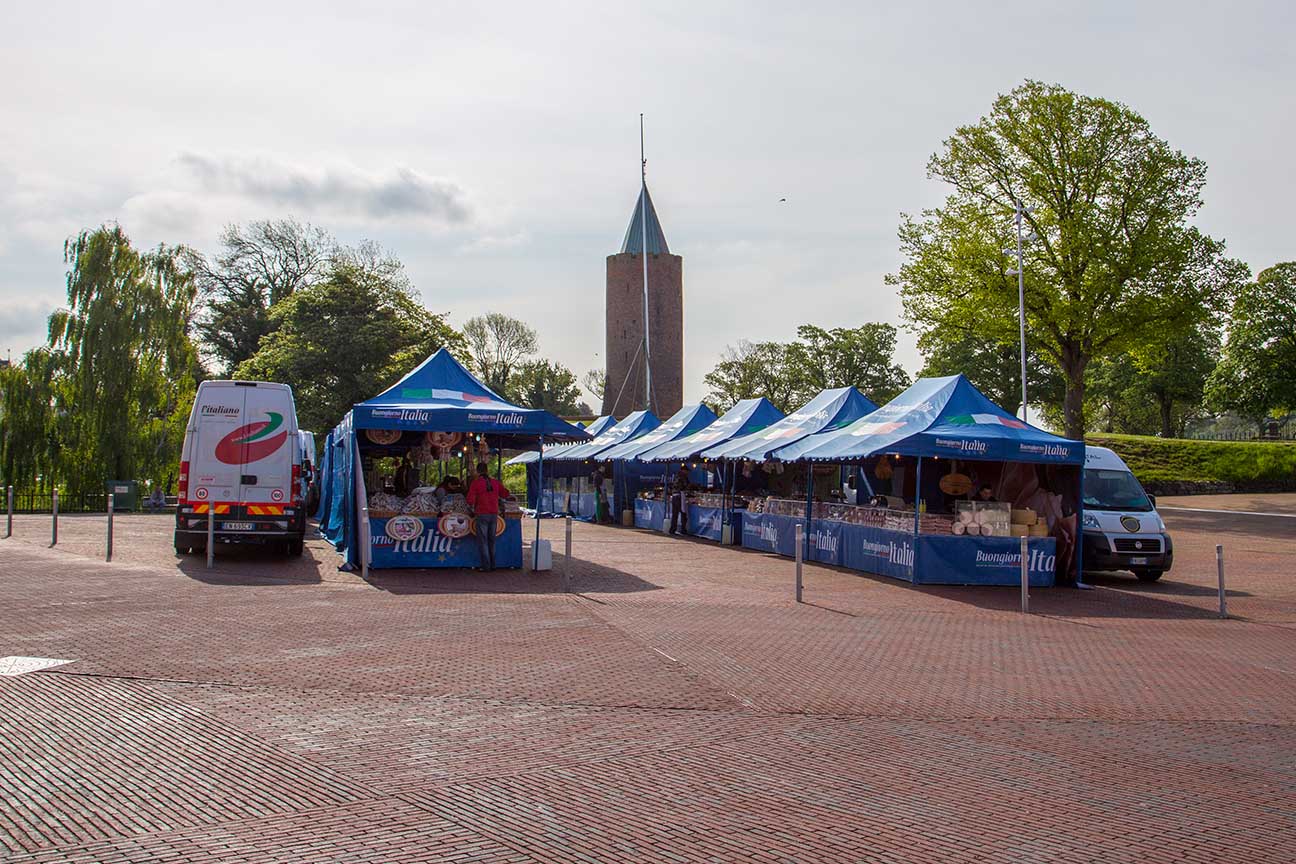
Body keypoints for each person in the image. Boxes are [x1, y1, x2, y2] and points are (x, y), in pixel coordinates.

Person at [467, 462, 511, 571]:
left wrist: (472, 505)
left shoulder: (476, 483)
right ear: (487, 470)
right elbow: (505, 494)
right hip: (494, 514)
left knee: (483, 541)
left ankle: (486, 566)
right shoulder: (495, 482)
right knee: (492, 540)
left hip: (482, 514)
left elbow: (470, 500)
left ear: (477, 472)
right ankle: (493, 564)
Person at [670, 465, 690, 535]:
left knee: (674, 514)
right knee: (683, 513)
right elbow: (685, 485)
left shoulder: (676, 476)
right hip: (680, 496)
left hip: (674, 496)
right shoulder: (683, 476)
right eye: (687, 471)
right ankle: (683, 530)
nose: (687, 473)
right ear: (684, 470)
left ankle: (672, 530)